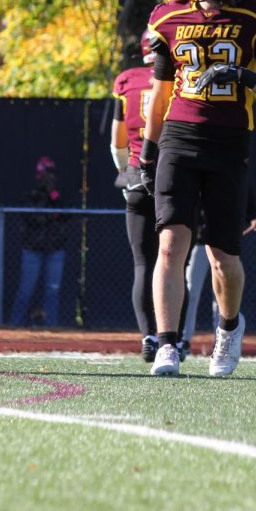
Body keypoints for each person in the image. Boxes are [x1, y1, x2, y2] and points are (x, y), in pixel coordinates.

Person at [138, 0, 256, 377]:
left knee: (222, 256)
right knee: (170, 245)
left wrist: (245, 77)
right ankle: (168, 344)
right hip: (177, 139)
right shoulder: (168, 18)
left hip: (229, 142)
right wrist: (145, 155)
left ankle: (228, 328)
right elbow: (160, 94)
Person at [111, 29, 171, 362]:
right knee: (174, 261)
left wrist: (127, 173)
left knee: (143, 264)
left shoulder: (127, 80)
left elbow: (117, 142)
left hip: (136, 173)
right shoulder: (180, 77)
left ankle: (149, 336)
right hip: (174, 176)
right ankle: (172, 340)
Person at [181, 187, 256, 352]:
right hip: (200, 242)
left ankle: (222, 340)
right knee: (191, 291)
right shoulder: (195, 171)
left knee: (223, 294)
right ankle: (183, 339)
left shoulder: (234, 169)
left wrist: (254, 216)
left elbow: (244, 192)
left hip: (224, 242)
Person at [10, 156, 69, 326]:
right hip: (33, 248)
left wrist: (53, 195)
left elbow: (64, 215)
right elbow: (31, 217)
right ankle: (15, 324)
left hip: (55, 248)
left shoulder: (58, 194)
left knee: (52, 290)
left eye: (52, 174)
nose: (49, 177)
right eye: (46, 173)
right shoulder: (31, 193)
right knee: (25, 289)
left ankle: (51, 326)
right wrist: (46, 207)